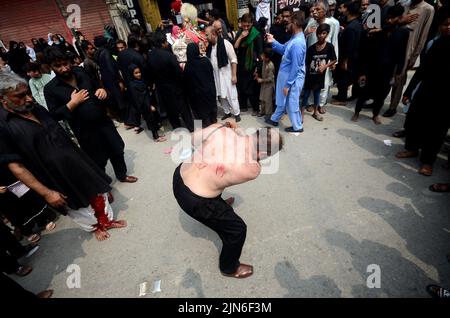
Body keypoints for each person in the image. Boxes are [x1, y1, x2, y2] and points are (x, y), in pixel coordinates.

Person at [0, 72, 127, 241]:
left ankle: (106, 220)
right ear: (3, 99)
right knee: (77, 206)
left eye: (28, 93)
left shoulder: (35, 108)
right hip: (55, 177)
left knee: (97, 191)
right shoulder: (3, 127)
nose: (29, 98)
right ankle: (95, 227)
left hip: (77, 160)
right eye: (20, 96)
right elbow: (17, 167)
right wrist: (46, 193)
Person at [173, 120, 283, 278]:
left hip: (179, 177)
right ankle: (229, 267)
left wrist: (228, 128)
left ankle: (218, 203)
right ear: (264, 154)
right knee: (238, 230)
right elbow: (243, 159)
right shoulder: (252, 169)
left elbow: (191, 139)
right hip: (195, 202)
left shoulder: (219, 129)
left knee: (216, 180)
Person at [43, 46, 138, 184]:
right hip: (85, 131)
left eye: (65, 64)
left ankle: (122, 175)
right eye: (58, 66)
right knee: (97, 160)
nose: (64, 69)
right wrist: (72, 104)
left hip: (103, 122)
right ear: (51, 66)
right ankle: (104, 185)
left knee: (117, 148)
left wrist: (101, 90)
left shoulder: (81, 72)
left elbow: (96, 85)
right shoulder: (51, 89)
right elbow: (54, 115)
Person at [394, 8, 450, 176]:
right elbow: (422, 70)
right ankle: (412, 148)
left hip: (446, 96)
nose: (448, 27)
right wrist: (409, 91)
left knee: (436, 130)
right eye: (445, 24)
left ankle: (427, 161)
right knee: (414, 120)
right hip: (427, 90)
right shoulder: (436, 44)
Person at [352, 5, 409, 125]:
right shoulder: (379, 30)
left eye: (393, 18)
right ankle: (357, 112)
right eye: (388, 18)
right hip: (372, 67)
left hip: (387, 70)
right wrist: (363, 71)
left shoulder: (403, 32)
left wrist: (398, 72)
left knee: (381, 94)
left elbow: (402, 53)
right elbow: (368, 51)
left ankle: (375, 114)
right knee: (364, 92)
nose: (389, 20)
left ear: (400, 18)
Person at [383, 0, 435, 117]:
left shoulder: (428, 9)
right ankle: (378, 99)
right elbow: (390, 21)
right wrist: (401, 21)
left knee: (399, 78)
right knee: (386, 74)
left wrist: (414, 56)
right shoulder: (403, 4)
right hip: (393, 44)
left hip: (408, 49)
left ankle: (392, 107)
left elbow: (423, 35)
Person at [265, 12, 307, 134]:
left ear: (294, 24)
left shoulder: (298, 43)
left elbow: (296, 67)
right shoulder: (294, 39)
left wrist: (288, 85)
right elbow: (283, 49)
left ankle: (297, 126)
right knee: (283, 100)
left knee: (291, 103)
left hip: (292, 78)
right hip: (287, 76)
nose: (286, 26)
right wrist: (273, 41)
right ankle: (274, 119)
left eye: (288, 23)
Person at [147, 32, 194, 132]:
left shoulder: (150, 55)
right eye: (166, 42)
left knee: (170, 110)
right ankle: (190, 127)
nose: (167, 44)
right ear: (163, 43)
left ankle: (176, 128)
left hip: (162, 88)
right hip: (175, 87)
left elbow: (150, 72)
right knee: (184, 109)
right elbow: (178, 72)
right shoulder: (168, 56)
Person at [205, 26, 241, 123]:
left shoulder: (225, 43)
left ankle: (237, 113)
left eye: (207, 35)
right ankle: (227, 112)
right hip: (216, 76)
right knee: (221, 96)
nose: (206, 37)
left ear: (213, 34)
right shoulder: (209, 47)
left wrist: (234, 75)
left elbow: (234, 60)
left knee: (231, 94)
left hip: (227, 74)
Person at [302, 23, 337, 122]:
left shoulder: (329, 47)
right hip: (310, 76)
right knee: (306, 95)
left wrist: (325, 66)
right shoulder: (311, 48)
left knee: (317, 94)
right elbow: (306, 63)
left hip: (320, 77)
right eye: (319, 33)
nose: (321, 35)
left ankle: (315, 112)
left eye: (323, 33)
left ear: (327, 34)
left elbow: (334, 59)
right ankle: (301, 113)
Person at [127, 64, 166, 141]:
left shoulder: (139, 80)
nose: (139, 74)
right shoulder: (132, 85)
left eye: (139, 72)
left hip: (148, 102)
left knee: (153, 119)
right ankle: (156, 137)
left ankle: (157, 133)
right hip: (145, 105)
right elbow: (138, 99)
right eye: (136, 73)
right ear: (131, 74)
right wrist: (149, 106)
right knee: (150, 120)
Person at [234, 13, 263, 115]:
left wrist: (258, 68)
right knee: (241, 86)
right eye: (244, 25)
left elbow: (260, 53)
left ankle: (255, 108)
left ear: (252, 24)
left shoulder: (256, 35)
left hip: (252, 65)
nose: (246, 27)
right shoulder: (240, 33)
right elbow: (235, 47)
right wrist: (241, 37)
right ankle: (243, 106)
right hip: (241, 64)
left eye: (248, 25)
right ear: (241, 23)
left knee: (253, 89)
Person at [184, 43, 217, 128]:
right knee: (211, 114)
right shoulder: (205, 61)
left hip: (196, 97)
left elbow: (187, 83)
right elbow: (211, 75)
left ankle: (200, 133)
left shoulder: (187, 66)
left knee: (198, 117)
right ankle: (214, 128)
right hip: (209, 92)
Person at [255, 48, 275, 117]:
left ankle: (268, 114)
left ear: (267, 58)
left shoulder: (270, 66)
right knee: (262, 98)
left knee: (268, 100)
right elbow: (259, 68)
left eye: (264, 56)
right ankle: (262, 111)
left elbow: (270, 78)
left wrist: (262, 80)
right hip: (264, 84)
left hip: (269, 85)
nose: (262, 56)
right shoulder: (264, 62)